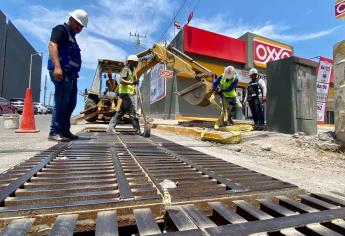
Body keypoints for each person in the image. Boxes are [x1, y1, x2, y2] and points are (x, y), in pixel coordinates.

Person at [47, 9, 88, 142]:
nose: (79, 28)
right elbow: (52, 45)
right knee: (62, 102)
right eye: (78, 24)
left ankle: (65, 131)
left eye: (81, 26)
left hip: (71, 75)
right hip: (62, 72)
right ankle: (54, 132)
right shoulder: (61, 30)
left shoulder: (72, 37)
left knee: (71, 103)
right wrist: (57, 67)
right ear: (71, 19)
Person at [107, 55, 142, 135]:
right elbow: (122, 81)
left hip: (127, 93)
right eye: (136, 63)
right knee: (132, 112)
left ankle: (110, 128)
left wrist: (134, 83)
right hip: (126, 94)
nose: (136, 65)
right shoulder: (126, 69)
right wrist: (132, 82)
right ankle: (138, 130)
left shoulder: (131, 71)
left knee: (121, 112)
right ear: (131, 62)